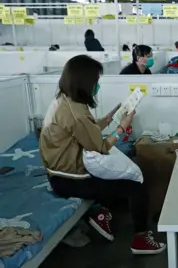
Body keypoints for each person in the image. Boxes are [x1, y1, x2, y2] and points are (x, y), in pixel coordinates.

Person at [39, 55, 166, 255]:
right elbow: (102, 146)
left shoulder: (66, 101)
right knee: (136, 187)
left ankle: (100, 213)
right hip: (68, 180)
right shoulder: (76, 113)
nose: (97, 86)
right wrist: (122, 127)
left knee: (120, 172)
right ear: (85, 82)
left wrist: (109, 118)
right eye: (95, 81)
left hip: (59, 172)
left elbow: (87, 129)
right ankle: (140, 238)